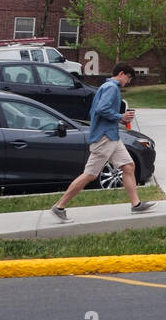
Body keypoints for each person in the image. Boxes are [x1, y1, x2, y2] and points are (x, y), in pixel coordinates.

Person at [50, 63, 153, 220]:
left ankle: (136, 204)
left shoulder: (106, 87)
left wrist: (121, 121)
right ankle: (59, 206)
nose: (128, 81)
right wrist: (121, 117)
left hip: (111, 136)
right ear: (122, 74)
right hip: (104, 138)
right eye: (129, 77)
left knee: (128, 166)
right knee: (90, 174)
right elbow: (101, 110)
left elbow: (99, 111)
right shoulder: (111, 88)